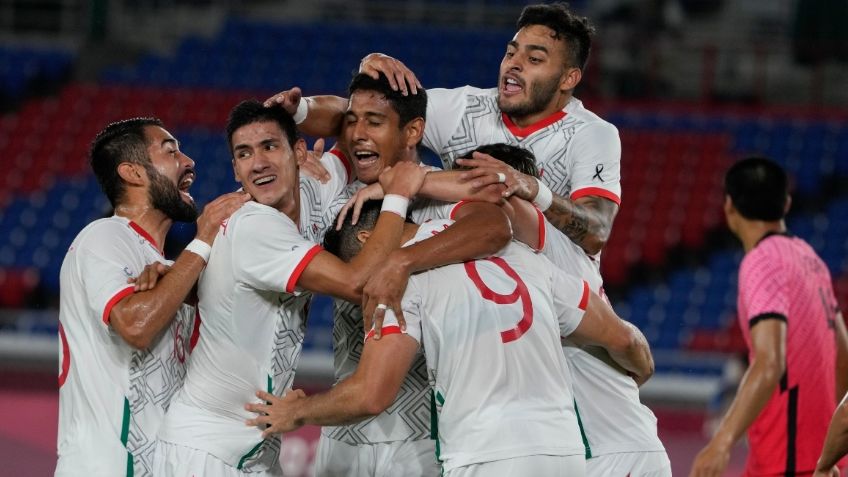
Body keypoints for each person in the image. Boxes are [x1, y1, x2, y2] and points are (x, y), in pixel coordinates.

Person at [266, 5, 670, 474]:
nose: (514, 65)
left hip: (567, 350)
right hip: (519, 342)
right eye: (511, 51)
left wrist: (410, 188)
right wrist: (301, 110)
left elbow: (594, 230)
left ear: (569, 78)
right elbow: (368, 114)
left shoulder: (592, 136)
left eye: (535, 58)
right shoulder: (464, 108)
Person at [153, 101, 513, 476]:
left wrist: (316, 103)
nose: (257, 163)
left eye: (269, 147)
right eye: (244, 154)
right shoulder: (255, 224)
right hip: (207, 447)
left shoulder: (314, 186)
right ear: (234, 170)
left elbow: (350, 137)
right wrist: (396, 197)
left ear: (299, 153)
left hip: (251, 444)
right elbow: (359, 283)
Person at [245, 201, 654, 476]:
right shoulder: (524, 256)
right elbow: (624, 340)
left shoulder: (396, 281)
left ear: (367, 241)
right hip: (564, 454)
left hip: (485, 455)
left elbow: (371, 394)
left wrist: (298, 412)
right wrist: (641, 370)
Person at [55, 117, 249, 476]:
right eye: (171, 151)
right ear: (133, 173)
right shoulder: (104, 236)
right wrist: (204, 238)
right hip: (108, 466)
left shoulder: (168, 269)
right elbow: (135, 325)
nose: (188, 161)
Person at [690, 157, 848, 477]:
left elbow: (770, 361)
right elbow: (843, 353)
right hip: (818, 459)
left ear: (729, 206)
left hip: (785, 455)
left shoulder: (762, 261)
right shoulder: (809, 258)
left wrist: (722, 441)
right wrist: (831, 449)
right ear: (786, 203)